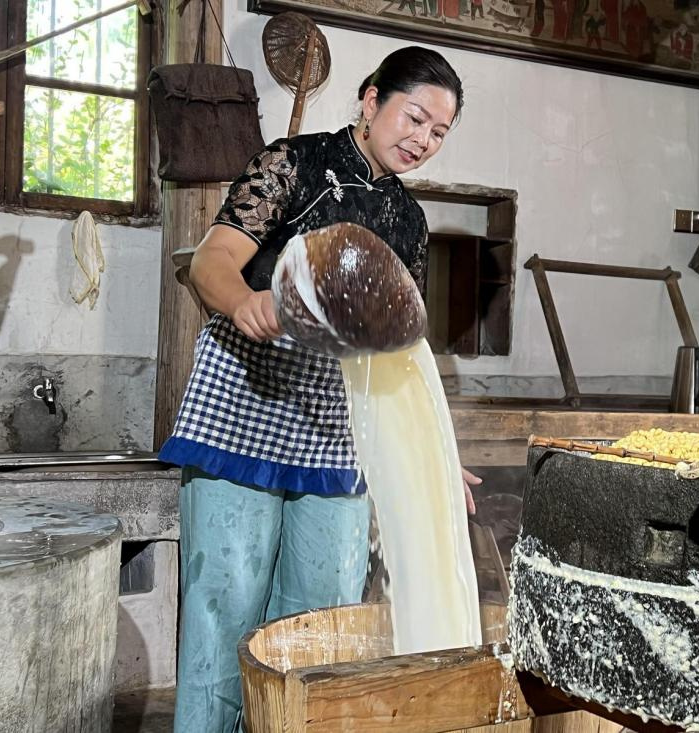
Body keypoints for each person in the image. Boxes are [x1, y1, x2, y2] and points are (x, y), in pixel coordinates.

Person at [158, 46, 479, 733]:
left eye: (438, 132)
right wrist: (242, 301)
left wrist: (435, 456)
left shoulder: (407, 220)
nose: (421, 139)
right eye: (413, 117)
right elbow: (213, 259)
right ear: (371, 99)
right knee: (225, 605)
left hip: (336, 419)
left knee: (321, 620)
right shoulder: (293, 164)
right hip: (245, 398)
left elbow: (400, 349)